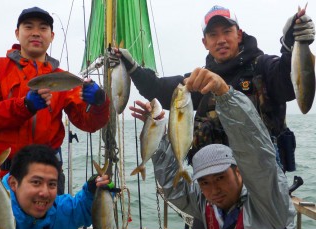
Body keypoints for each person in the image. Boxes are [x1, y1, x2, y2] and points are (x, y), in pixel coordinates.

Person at [131, 67, 306, 229]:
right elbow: (174, 186)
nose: (214, 190)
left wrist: (225, 94)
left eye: (221, 177)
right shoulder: (207, 204)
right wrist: (156, 132)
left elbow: (255, 151)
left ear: (238, 171)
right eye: (204, 182)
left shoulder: (268, 199)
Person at [118, 5, 315, 172]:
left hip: (263, 190)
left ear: (239, 35)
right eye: (213, 34)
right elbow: (157, 88)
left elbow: (290, 83)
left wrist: (292, 45)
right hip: (212, 190)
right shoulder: (199, 81)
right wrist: (133, 67)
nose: (221, 39)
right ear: (205, 43)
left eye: (227, 32)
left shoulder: (263, 67)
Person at [0, 7, 110, 193]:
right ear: (17, 33)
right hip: (3, 174)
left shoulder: (64, 78)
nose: (36, 33)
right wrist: (25, 106)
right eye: (28, 27)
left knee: (49, 222)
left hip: (48, 175)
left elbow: (89, 124)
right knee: (3, 223)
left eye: (43, 28)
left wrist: (99, 103)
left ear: (51, 36)